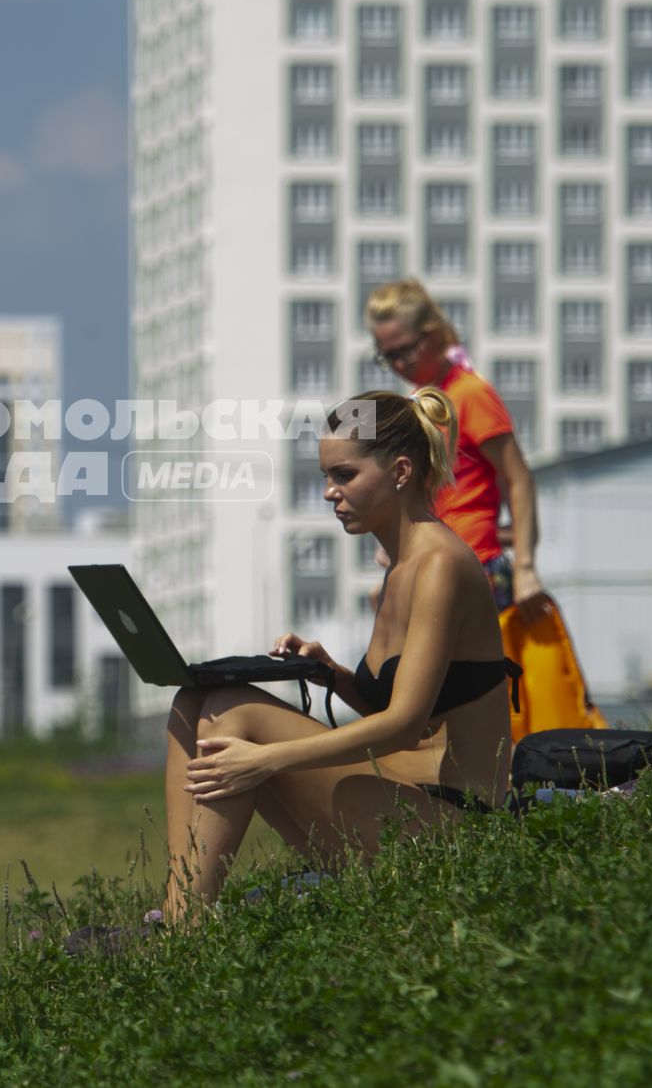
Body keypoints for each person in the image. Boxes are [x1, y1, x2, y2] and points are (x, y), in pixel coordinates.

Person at [162, 389, 517, 918]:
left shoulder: (440, 564)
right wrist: (335, 676)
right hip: (406, 790)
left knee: (233, 712)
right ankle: (178, 910)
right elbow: (406, 712)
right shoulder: (400, 567)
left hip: (457, 824)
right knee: (194, 703)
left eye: (344, 475)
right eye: (327, 476)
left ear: (400, 471)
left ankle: (183, 929)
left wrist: (261, 761)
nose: (329, 492)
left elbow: (402, 725)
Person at [364, 279, 544, 611]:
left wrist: (525, 568)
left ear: (432, 335)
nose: (399, 365)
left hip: (474, 568)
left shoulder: (469, 393)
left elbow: (519, 479)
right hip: (434, 562)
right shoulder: (420, 401)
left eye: (404, 350)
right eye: (387, 356)